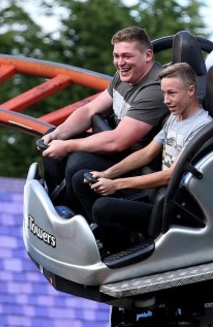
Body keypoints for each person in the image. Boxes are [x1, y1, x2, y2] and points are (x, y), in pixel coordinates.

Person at [73, 62, 213, 252]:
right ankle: (109, 240)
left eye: (172, 93)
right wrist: (107, 174)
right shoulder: (175, 116)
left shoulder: (201, 127)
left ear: (191, 90)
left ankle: (122, 251)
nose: (166, 100)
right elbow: (147, 153)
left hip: (176, 207)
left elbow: (170, 175)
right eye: (163, 93)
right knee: (82, 179)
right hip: (156, 194)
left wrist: (116, 185)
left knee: (102, 207)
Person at [40, 26, 169, 213]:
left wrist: (68, 146)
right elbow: (89, 110)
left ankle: (72, 216)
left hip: (135, 161)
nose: (120, 62)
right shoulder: (123, 76)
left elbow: (119, 141)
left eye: (127, 56)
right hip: (114, 145)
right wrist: (59, 133)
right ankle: (54, 204)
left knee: (77, 162)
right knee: (53, 136)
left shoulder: (154, 89)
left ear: (148, 56)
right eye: (116, 56)